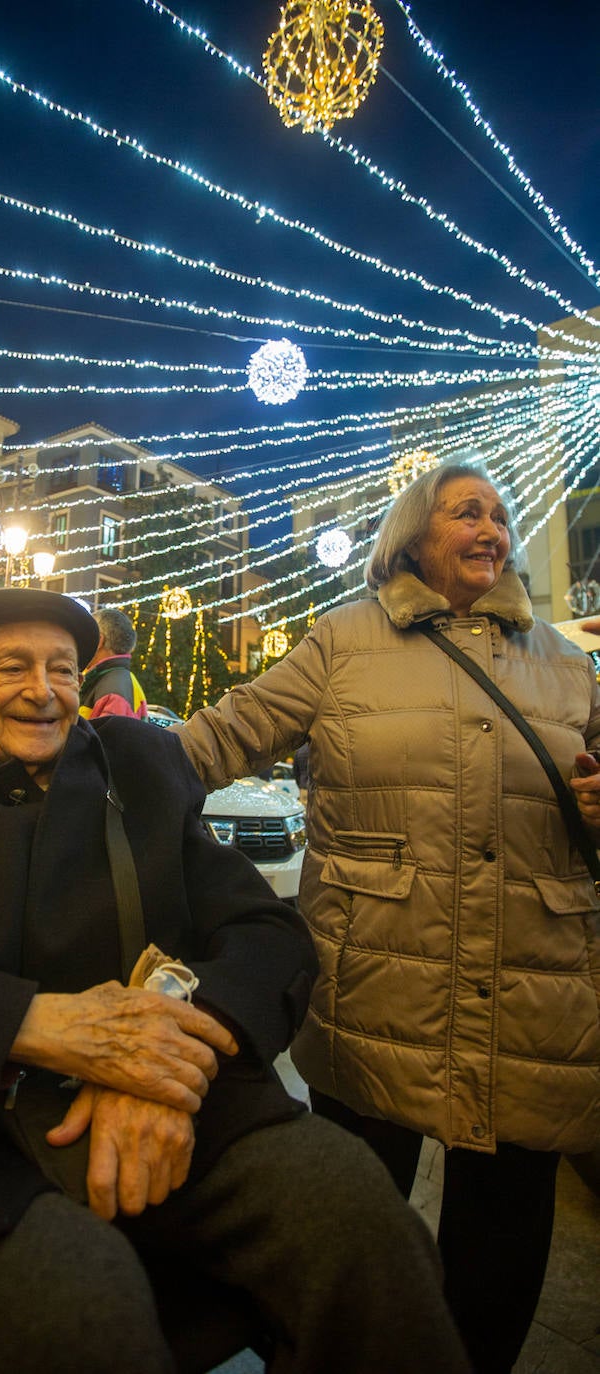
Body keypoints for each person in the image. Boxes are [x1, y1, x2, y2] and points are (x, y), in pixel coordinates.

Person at [0, 588, 470, 1374]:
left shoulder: (138, 766)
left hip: (176, 1104)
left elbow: (265, 932)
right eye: (12, 667)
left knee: (358, 1217)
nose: (43, 690)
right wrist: (32, 1023)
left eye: (61, 669)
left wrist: (159, 1051)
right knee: (76, 1305)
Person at [173, 462, 600, 1374]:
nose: (490, 528)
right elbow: (222, 735)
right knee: (349, 1223)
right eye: (465, 513)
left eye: (499, 515)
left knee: (503, 1239)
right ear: (411, 535)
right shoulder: (344, 641)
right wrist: (81, 764)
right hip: (376, 983)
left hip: (539, 991)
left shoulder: (566, 663)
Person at [79, 605, 149, 719]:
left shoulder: (112, 693)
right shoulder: (125, 680)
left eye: (85, 636)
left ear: (98, 641)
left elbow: (108, 737)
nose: (80, 643)